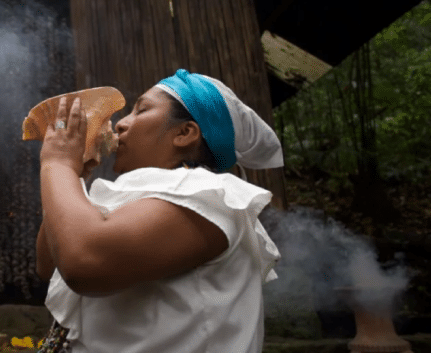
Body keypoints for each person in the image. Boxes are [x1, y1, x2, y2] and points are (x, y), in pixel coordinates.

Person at [35, 69, 283, 353]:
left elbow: (84, 262)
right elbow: (49, 264)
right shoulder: (135, 198)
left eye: (141, 110)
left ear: (184, 133)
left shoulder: (208, 196)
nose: (120, 125)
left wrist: (58, 165)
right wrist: (74, 177)